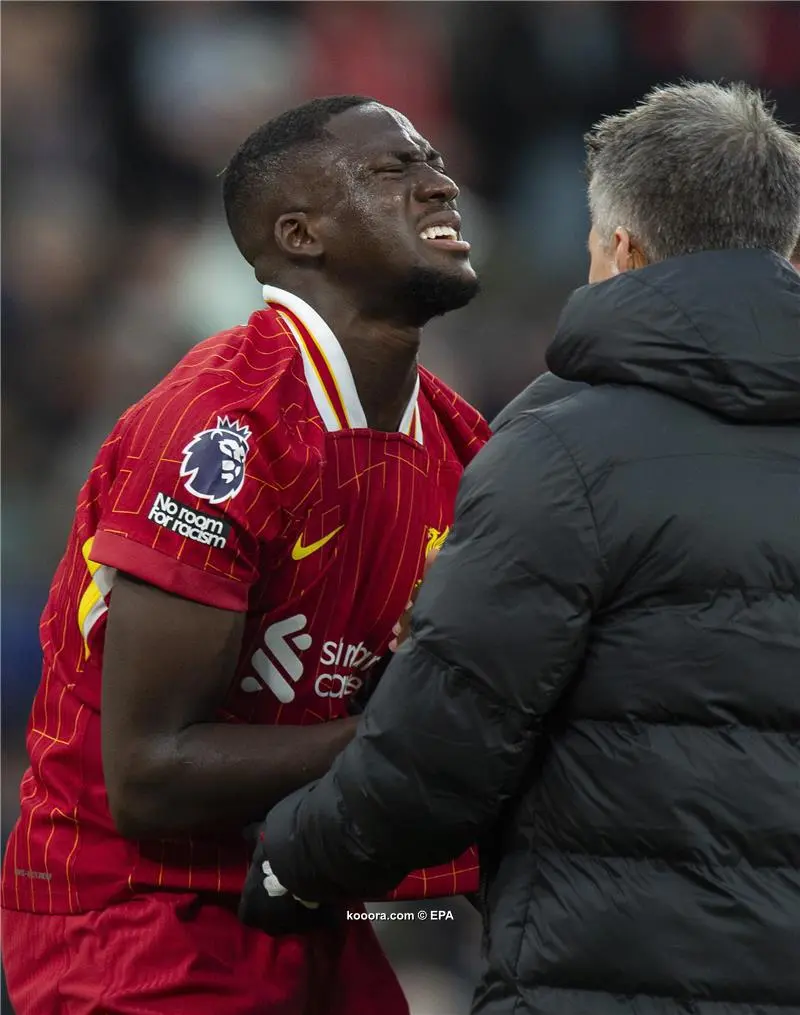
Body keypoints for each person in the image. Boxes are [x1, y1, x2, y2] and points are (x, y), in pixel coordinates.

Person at [246, 82, 800, 1014]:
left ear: (620, 251)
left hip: (599, 980)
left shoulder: (561, 452)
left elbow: (440, 751)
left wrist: (293, 863)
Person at [1, 95, 490, 1015]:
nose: (442, 182)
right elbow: (148, 776)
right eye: (394, 169)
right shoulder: (222, 431)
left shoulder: (466, 446)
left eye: (433, 159)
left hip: (303, 905)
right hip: (132, 920)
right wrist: (398, 734)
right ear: (299, 234)